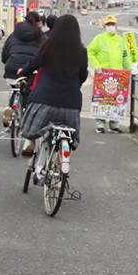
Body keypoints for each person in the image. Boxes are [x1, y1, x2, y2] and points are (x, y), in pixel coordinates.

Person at [17, 15, 88, 179]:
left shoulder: (48, 46)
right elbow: (83, 75)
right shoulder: (81, 52)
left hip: (44, 101)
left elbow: (33, 64)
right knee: (67, 139)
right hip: (71, 105)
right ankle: (58, 169)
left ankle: (31, 142)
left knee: (30, 129)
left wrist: (22, 71)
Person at [87, 14, 131, 134]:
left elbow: (125, 57)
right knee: (102, 99)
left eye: (112, 24)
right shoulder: (99, 39)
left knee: (116, 100)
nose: (110, 26)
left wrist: (129, 69)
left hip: (118, 76)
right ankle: (100, 124)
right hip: (103, 75)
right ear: (104, 27)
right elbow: (90, 52)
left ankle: (114, 125)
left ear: (116, 26)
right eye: (108, 25)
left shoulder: (121, 41)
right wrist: (97, 67)